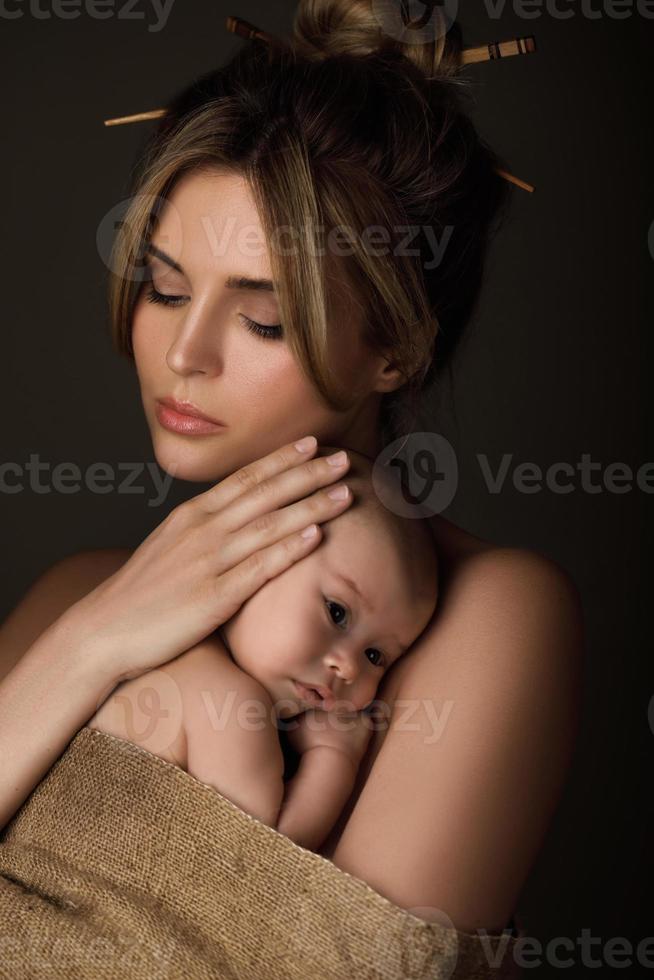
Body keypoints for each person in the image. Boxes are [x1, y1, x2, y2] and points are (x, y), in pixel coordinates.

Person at [0, 0, 583, 939]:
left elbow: (333, 962)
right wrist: (90, 641)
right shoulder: (85, 591)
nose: (184, 353)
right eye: (165, 286)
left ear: (392, 351)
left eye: (262, 319)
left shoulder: (495, 611)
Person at [86, 445, 439, 853]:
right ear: (251, 556)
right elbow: (253, 859)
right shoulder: (228, 701)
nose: (346, 667)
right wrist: (334, 756)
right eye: (337, 612)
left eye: (375, 656)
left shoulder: (152, 649)